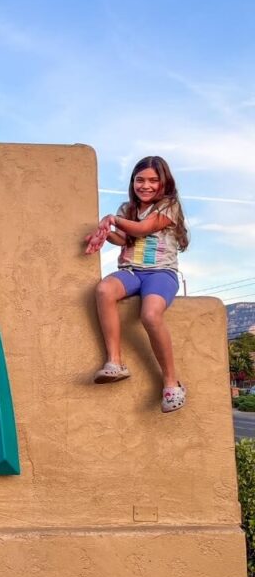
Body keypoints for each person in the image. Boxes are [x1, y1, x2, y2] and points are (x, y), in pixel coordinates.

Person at [85, 155, 189, 413]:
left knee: (150, 315)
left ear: (164, 183)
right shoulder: (127, 209)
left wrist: (112, 219)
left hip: (160, 273)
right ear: (132, 182)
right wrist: (103, 233)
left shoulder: (169, 206)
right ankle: (115, 362)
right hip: (131, 271)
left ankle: (171, 382)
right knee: (103, 289)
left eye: (153, 180)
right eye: (140, 180)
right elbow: (123, 239)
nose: (146, 185)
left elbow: (143, 229)